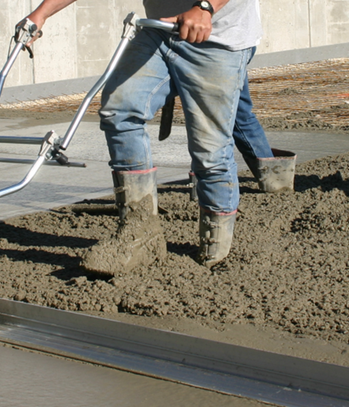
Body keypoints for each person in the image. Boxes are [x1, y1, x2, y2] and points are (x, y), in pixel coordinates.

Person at [21, 0, 262, 274]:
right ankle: (140, 232)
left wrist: (205, 7)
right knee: (119, 110)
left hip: (219, 38)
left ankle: (215, 256)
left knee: (210, 151)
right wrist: (40, 14)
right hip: (159, 31)